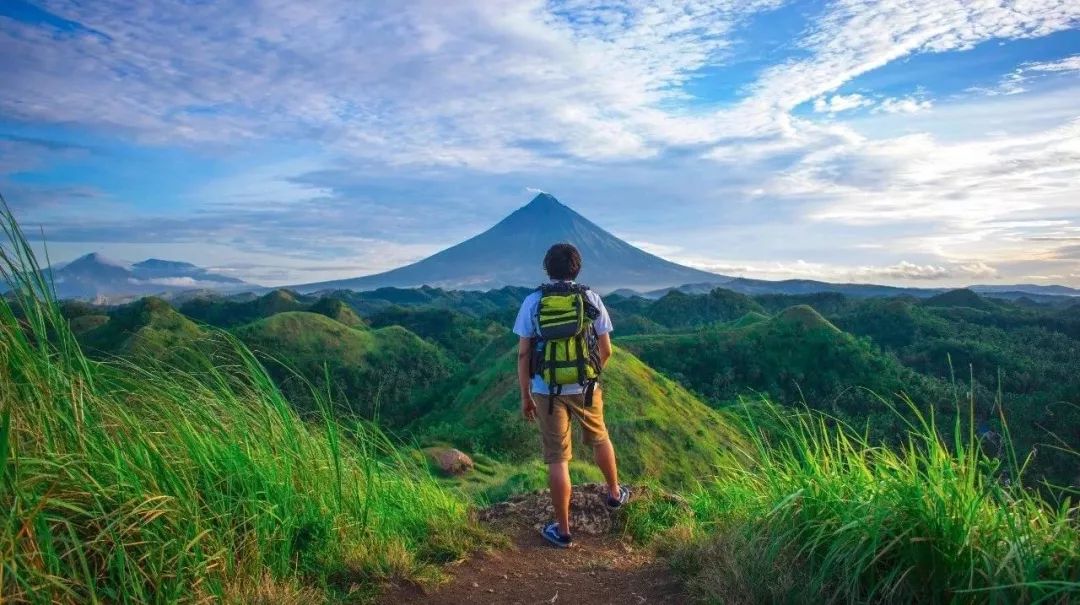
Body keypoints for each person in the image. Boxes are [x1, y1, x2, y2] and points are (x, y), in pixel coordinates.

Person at [512, 242, 629, 548]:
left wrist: (526, 396)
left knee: (557, 458)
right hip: (586, 387)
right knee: (600, 437)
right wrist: (589, 375)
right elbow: (606, 350)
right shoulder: (590, 297)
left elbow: (524, 354)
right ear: (577, 268)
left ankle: (563, 531)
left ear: (546, 269)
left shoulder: (533, 301)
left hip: (546, 390)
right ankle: (614, 494)